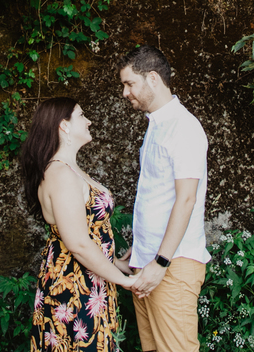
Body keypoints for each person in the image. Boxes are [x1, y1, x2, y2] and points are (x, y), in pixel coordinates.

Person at [21, 97, 136, 352]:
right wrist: (125, 281)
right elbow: (78, 243)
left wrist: (116, 264)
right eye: (82, 115)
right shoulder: (60, 174)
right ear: (64, 125)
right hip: (74, 286)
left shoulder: (70, 170)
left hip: (90, 281)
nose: (89, 121)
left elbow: (88, 233)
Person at [118, 46, 209, 352]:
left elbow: (186, 200)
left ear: (153, 79)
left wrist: (160, 262)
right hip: (148, 262)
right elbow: (157, 197)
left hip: (171, 265)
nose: (125, 92)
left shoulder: (183, 127)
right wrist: (140, 248)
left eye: (130, 83)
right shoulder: (157, 126)